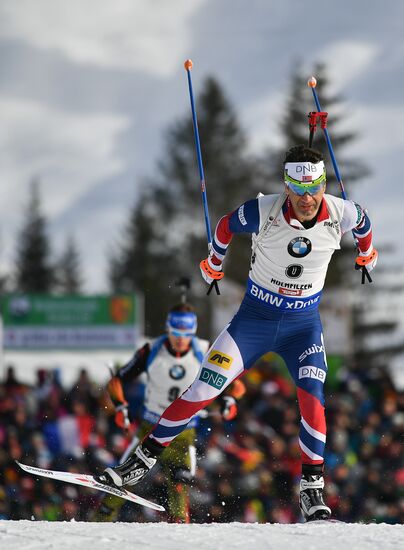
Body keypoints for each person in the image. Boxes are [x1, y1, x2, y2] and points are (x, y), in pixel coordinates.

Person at [96, 145, 378, 522]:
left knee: (312, 396)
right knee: (202, 389)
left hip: (302, 327)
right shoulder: (265, 210)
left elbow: (364, 225)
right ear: (287, 187)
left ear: (323, 184)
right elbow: (226, 225)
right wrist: (213, 263)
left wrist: (366, 253)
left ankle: (312, 488)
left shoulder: (341, 212)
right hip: (254, 322)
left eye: (314, 188)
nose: (308, 198)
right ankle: (141, 460)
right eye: (299, 189)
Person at [93, 302, 245, 523]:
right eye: (175, 332)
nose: (180, 339)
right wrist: (120, 406)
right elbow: (117, 380)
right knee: (122, 478)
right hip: (150, 427)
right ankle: (100, 520)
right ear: (168, 329)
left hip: (183, 432)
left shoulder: (205, 350)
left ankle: (179, 528)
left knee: (180, 481)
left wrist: (229, 400)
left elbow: (235, 384)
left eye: (186, 333)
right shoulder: (152, 349)